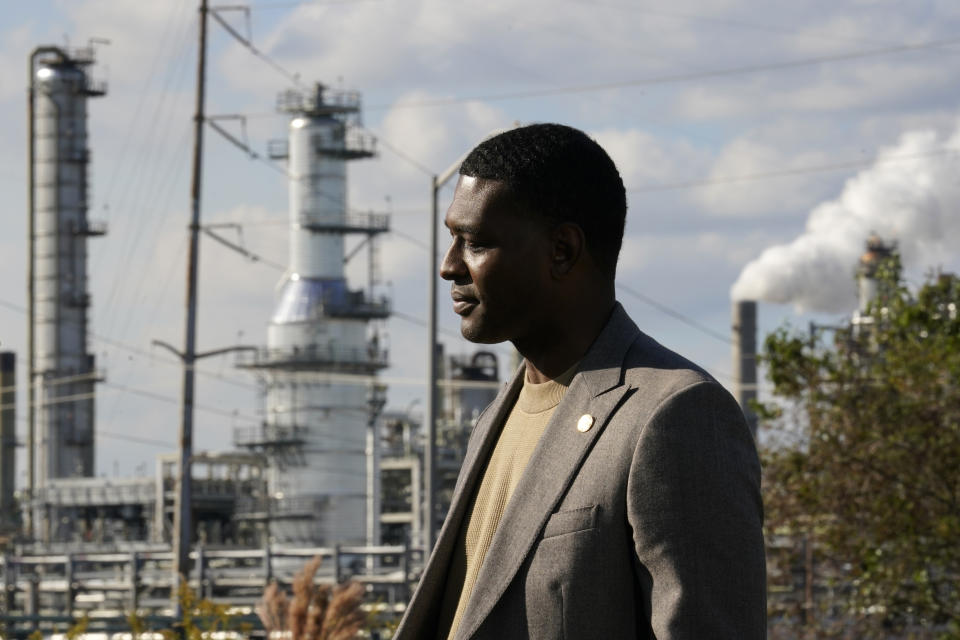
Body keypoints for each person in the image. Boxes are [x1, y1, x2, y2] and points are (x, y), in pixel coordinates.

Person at [394, 124, 766, 639]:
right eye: (451, 238)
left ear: (562, 250)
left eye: (475, 242)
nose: (449, 266)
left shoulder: (675, 414)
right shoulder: (498, 415)